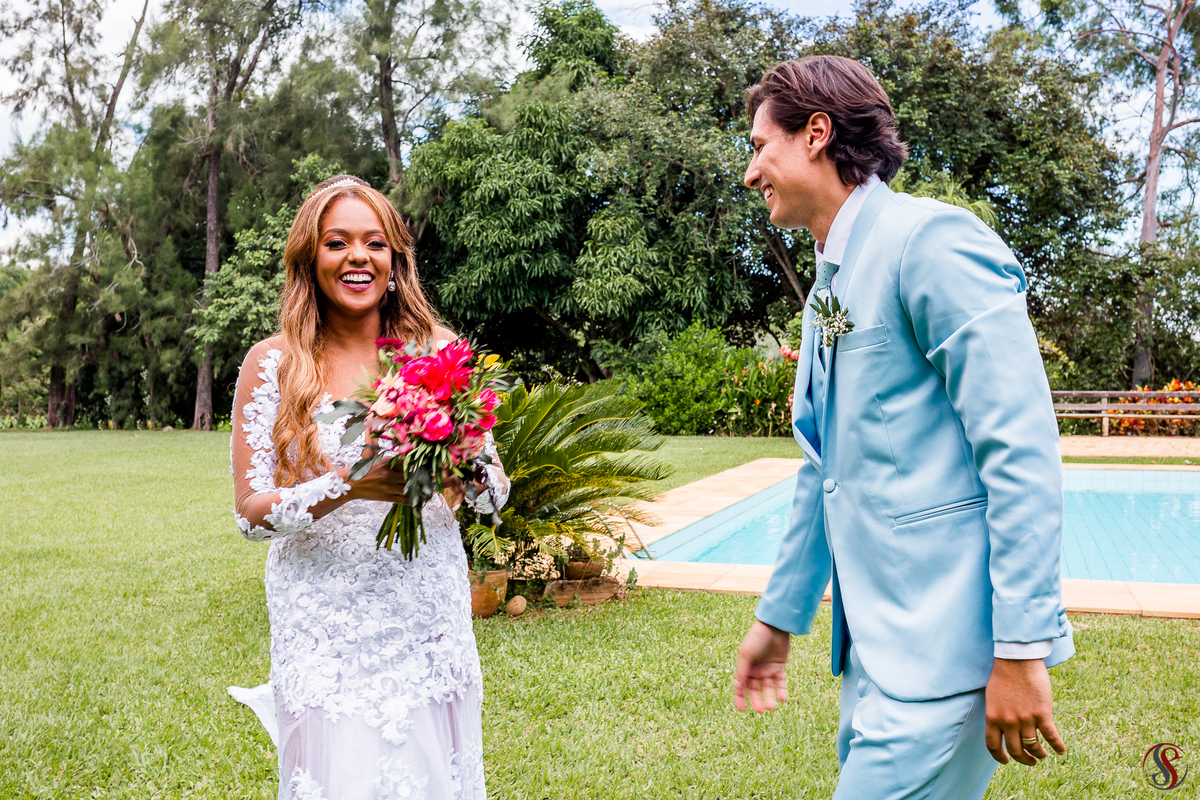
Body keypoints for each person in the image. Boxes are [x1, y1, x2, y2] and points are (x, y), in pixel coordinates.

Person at [732, 56, 1074, 799]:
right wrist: (780, 618)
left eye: (760, 146)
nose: (751, 171)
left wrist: (1019, 649)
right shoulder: (831, 278)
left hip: (952, 649)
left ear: (816, 134)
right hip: (879, 654)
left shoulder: (936, 244)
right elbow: (824, 470)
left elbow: (1020, 452)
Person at [228, 175, 508, 799]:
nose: (359, 256)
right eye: (338, 242)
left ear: (394, 259)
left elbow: (493, 499)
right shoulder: (271, 364)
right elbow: (250, 515)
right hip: (326, 627)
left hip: (426, 617)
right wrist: (350, 485)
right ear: (311, 258)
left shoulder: (437, 352)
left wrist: (460, 455)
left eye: (375, 243)